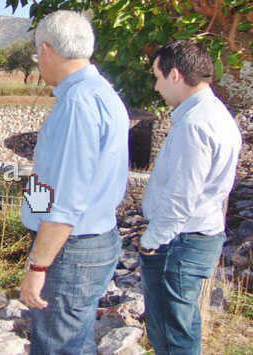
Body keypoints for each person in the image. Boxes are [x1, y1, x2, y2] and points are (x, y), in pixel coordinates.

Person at [19, 10, 129, 354]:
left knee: (59, 345)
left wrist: (37, 265)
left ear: (48, 50)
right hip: (82, 242)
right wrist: (34, 221)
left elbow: (66, 200)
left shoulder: (78, 104)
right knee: (75, 340)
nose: (38, 64)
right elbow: (48, 175)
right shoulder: (96, 93)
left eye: (37, 55)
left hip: (71, 250)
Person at [139, 41, 241, 355]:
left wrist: (150, 241)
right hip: (193, 236)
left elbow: (181, 198)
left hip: (181, 241)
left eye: (157, 77)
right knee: (180, 329)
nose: (156, 87)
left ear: (175, 75)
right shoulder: (213, 114)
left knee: (173, 334)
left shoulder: (195, 124)